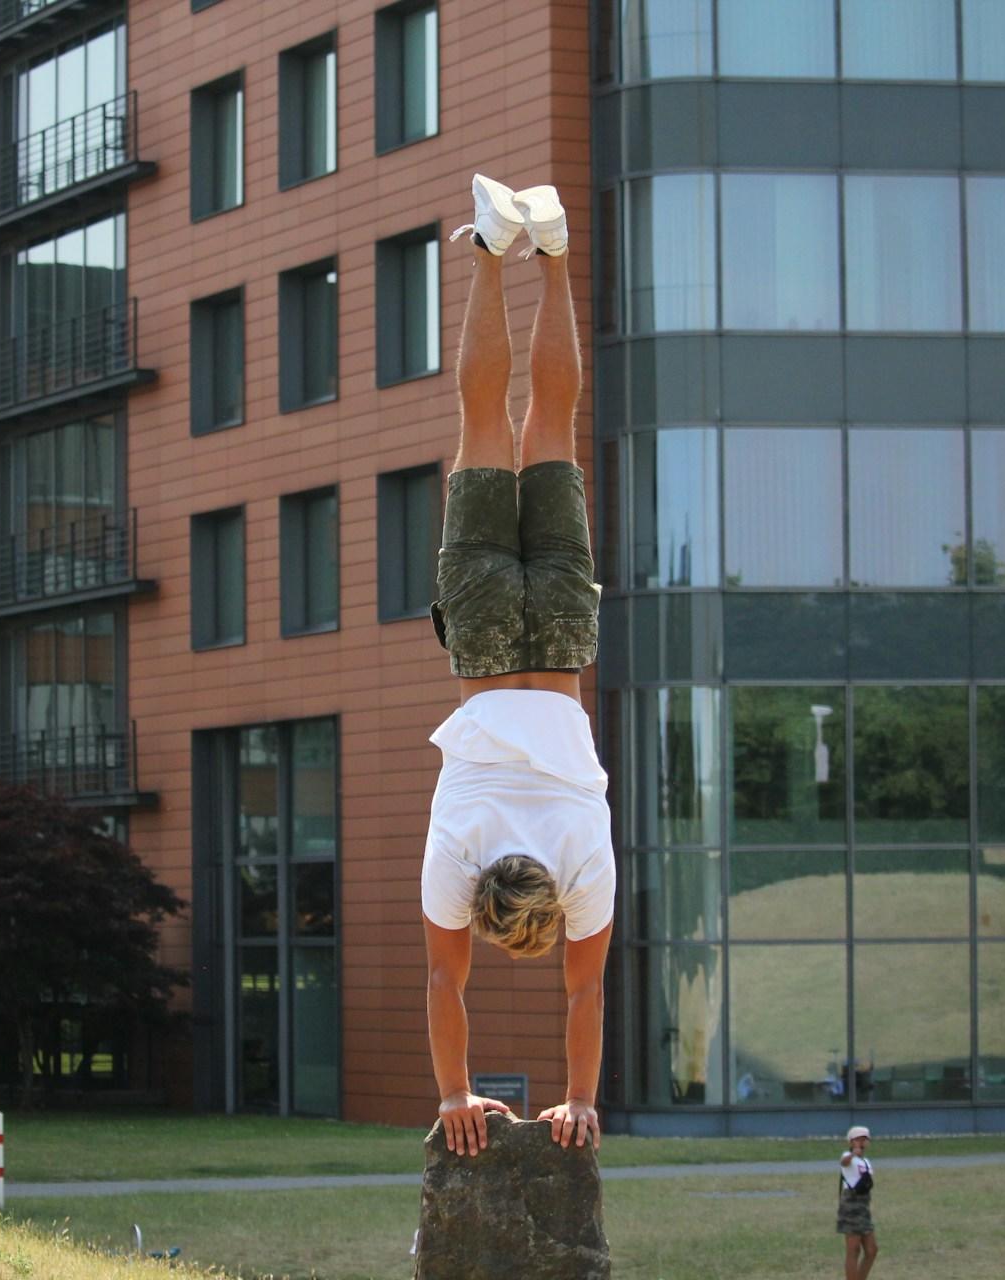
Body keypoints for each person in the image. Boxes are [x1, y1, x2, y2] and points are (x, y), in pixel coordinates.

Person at [421, 174, 614, 1160]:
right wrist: (455, 1090)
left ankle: (556, 249)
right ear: (499, 909)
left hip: (564, 646)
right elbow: (443, 985)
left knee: (555, 429)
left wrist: (581, 1099)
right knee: (486, 423)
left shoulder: (584, 866)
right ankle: (494, 248)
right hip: (489, 643)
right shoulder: (457, 863)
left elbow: (586, 990)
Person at [838, 1124, 878, 1280]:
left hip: (863, 1205)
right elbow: (844, 1162)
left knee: (871, 1250)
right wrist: (852, 1155)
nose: (861, 1142)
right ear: (851, 1142)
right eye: (857, 1139)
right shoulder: (848, 1157)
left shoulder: (866, 1161)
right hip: (851, 1205)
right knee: (853, 1249)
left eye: (864, 1139)